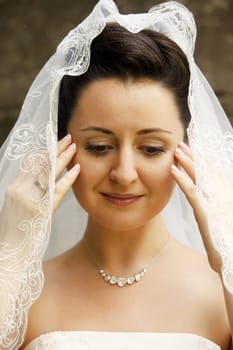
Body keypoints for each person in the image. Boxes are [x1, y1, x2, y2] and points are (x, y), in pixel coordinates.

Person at [0, 1, 233, 349]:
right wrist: (10, 252)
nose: (124, 174)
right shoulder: (21, 294)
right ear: (61, 148)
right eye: (98, 146)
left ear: (186, 152)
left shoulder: (221, 294)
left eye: (151, 149)